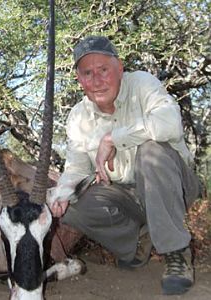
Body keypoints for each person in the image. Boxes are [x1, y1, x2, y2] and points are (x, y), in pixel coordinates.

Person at [47, 35, 201, 295]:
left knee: (152, 150)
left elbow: (169, 123)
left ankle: (176, 254)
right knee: (73, 206)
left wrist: (114, 138)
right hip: (127, 196)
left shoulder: (142, 83)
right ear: (79, 79)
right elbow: (77, 168)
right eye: (88, 73)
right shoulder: (77, 116)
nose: (97, 80)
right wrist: (61, 192)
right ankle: (138, 241)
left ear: (119, 68)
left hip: (173, 185)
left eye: (104, 70)